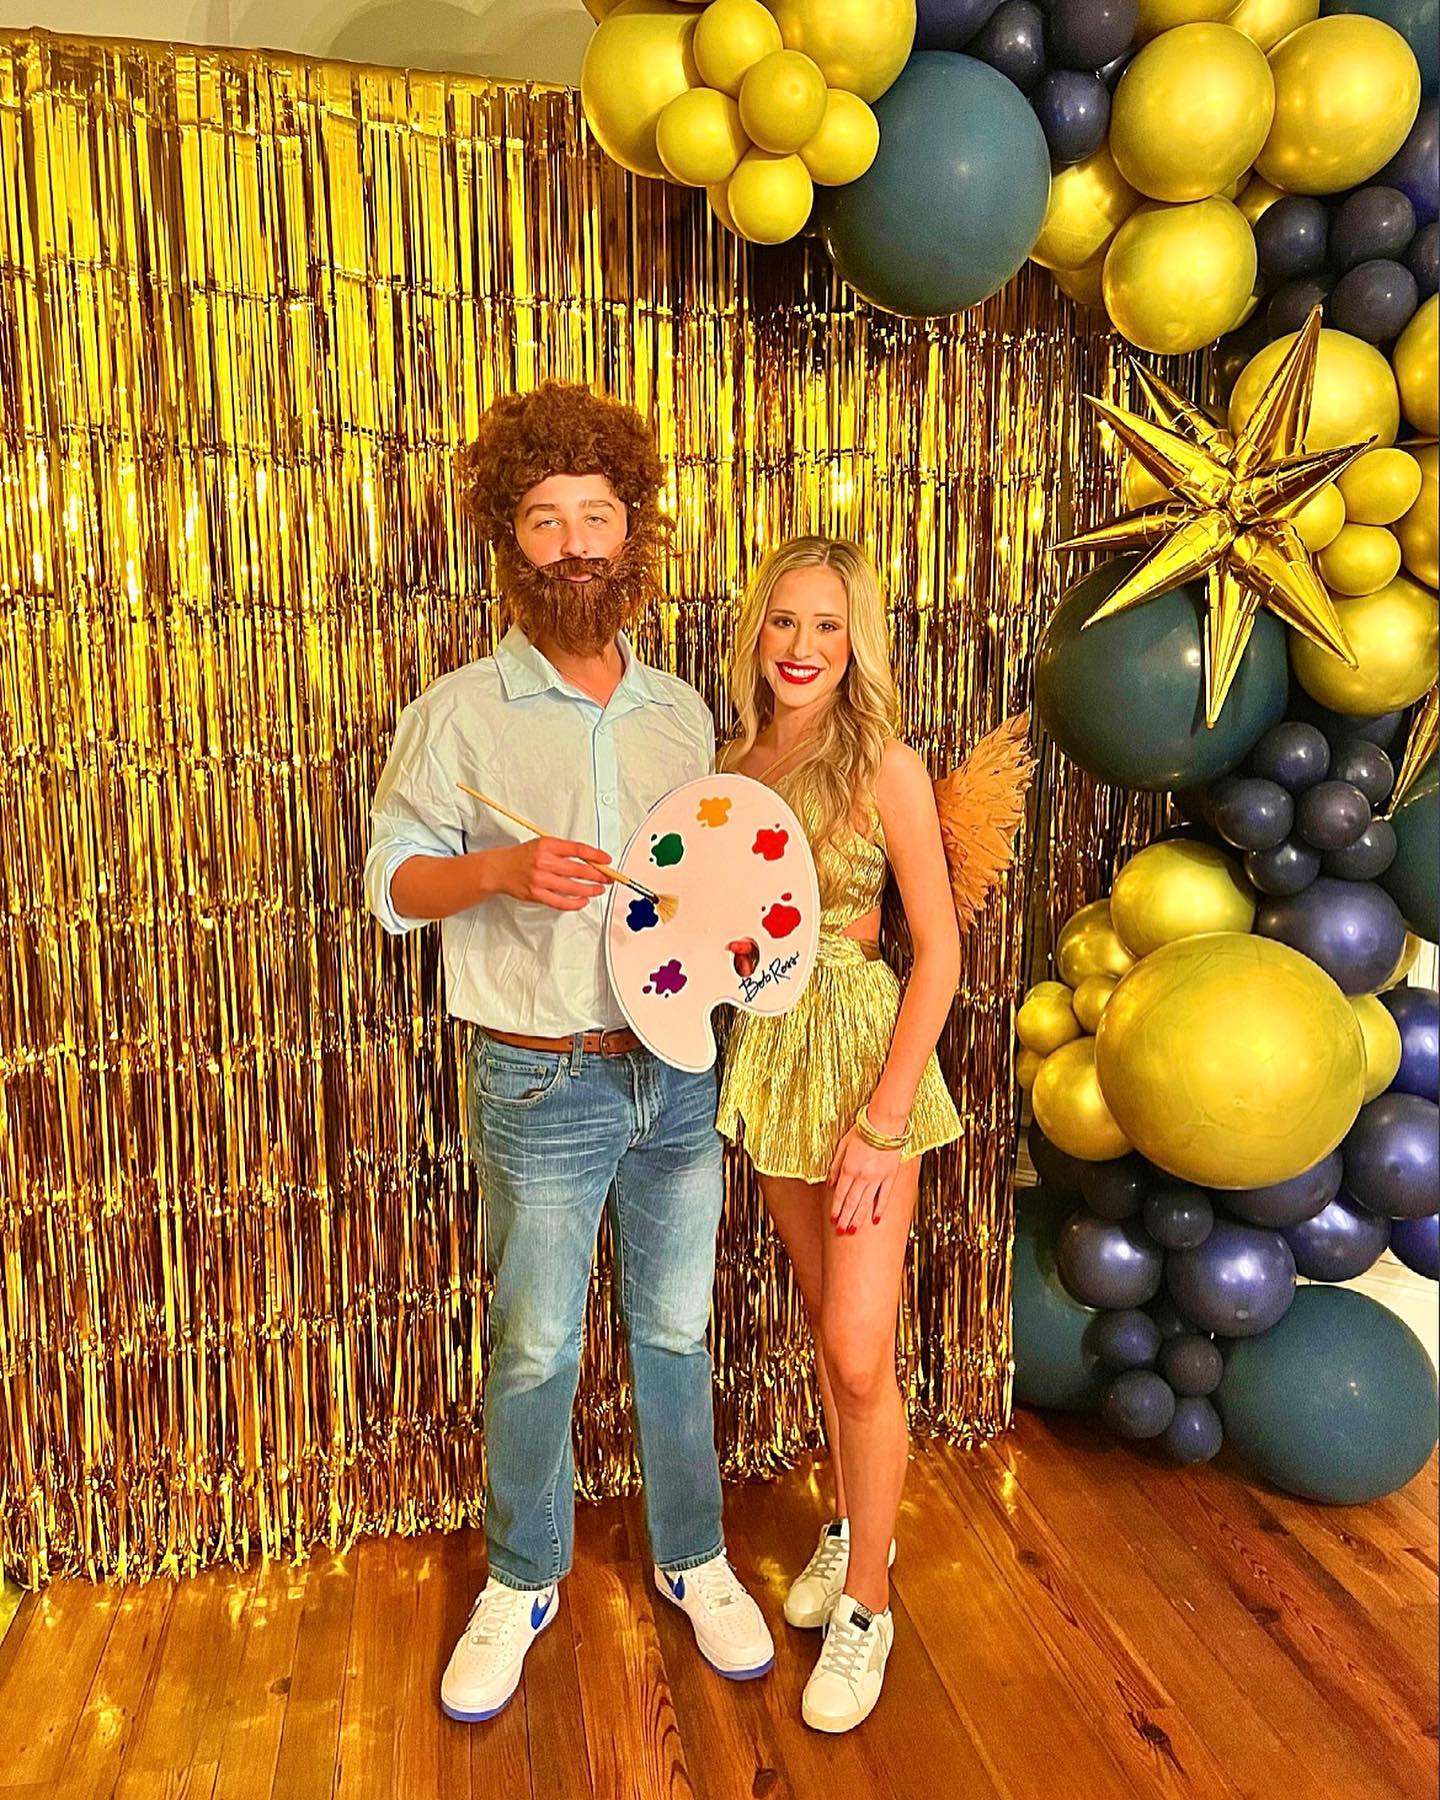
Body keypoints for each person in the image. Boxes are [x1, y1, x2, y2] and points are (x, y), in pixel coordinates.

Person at [363, 382, 773, 1725]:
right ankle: (521, 1575)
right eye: (545, 519)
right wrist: (494, 870)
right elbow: (391, 882)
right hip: (540, 1077)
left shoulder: (680, 714)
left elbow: (712, 883)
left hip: (680, 1071)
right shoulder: (461, 712)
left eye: (597, 515)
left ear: (633, 530)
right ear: (508, 540)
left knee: (678, 1327)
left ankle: (693, 1555)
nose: (575, 544)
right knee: (537, 1344)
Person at [717, 536, 963, 1735]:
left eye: (827, 625)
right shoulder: (736, 764)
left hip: (866, 1060)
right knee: (829, 1324)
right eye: (784, 621)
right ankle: (855, 1524)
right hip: (774, 1058)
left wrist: (884, 1120)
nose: (803, 646)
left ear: (856, 641)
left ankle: (869, 1601)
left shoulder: (887, 764)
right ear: (755, 634)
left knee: (863, 1349)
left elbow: (941, 954)